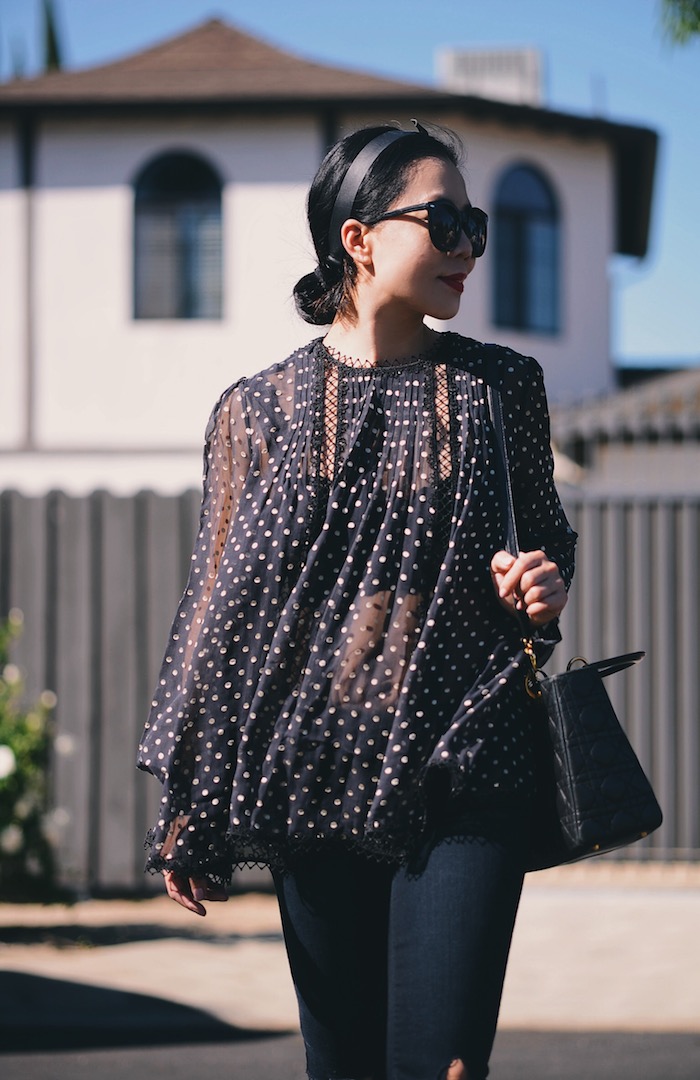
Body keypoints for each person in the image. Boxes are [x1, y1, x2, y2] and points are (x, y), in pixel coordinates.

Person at [138, 121, 577, 1080]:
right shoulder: (256, 411)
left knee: (447, 1066)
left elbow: (549, 545)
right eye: (444, 221)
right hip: (317, 774)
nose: (467, 246)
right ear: (359, 237)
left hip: (471, 758)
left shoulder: (503, 389)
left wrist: (539, 588)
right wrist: (189, 798)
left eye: (476, 224)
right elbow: (221, 609)